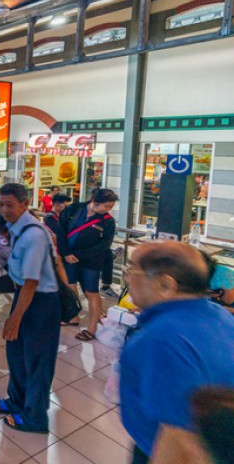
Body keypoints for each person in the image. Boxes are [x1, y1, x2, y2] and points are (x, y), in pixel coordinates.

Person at [120, 242, 234, 464]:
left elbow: (179, 440)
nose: (127, 278)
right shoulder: (220, 316)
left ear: (165, 284)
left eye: (132, 270)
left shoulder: (161, 340)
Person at [0, 183, 61, 434]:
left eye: (10, 205)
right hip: (25, 297)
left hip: (40, 303)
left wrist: (15, 318)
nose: (4, 210)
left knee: (37, 362)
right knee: (16, 354)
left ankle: (35, 417)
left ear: (25, 204)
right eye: (1, 204)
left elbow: (31, 282)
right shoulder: (17, 228)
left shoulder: (32, 235)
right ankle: (17, 401)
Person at [60, 188, 117, 341]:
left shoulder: (108, 221)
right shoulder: (75, 209)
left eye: (110, 207)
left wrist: (77, 255)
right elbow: (61, 230)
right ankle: (73, 316)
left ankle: (91, 329)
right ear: (95, 202)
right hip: (69, 257)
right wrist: (65, 253)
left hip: (91, 260)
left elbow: (104, 245)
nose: (108, 210)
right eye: (106, 206)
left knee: (92, 292)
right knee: (70, 288)